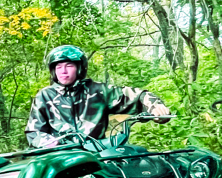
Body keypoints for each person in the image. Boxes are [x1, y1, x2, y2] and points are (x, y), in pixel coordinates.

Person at [25, 45, 171, 148]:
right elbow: (34, 131)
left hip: (98, 152)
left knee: (134, 161)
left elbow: (139, 96)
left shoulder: (98, 90)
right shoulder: (45, 95)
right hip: (60, 156)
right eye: (58, 67)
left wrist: (156, 107)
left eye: (69, 65)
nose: (63, 71)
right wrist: (47, 142)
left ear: (80, 68)